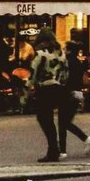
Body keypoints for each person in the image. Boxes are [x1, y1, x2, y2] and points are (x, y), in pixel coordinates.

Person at [28, 32, 68, 163]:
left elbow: (33, 71)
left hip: (44, 88)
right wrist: (61, 82)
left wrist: (28, 86)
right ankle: (54, 148)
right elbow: (65, 71)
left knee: (44, 119)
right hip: (58, 88)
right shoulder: (61, 53)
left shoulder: (40, 54)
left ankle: (53, 149)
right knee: (49, 119)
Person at [59, 42, 90, 157]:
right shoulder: (78, 63)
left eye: (64, 48)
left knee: (63, 123)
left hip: (67, 93)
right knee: (66, 122)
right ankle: (85, 139)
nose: (63, 50)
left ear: (68, 50)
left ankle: (63, 150)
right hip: (77, 92)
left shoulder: (66, 62)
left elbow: (65, 78)